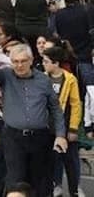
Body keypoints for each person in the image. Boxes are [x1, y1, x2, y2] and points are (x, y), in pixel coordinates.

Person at [0, 42, 67, 196]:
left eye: (23, 61)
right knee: (15, 182)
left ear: (31, 61)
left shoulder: (43, 80)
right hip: (14, 138)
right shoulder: (6, 76)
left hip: (39, 138)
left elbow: (56, 109)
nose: (19, 65)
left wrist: (60, 135)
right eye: (15, 61)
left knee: (41, 182)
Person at [41, 46, 82, 197]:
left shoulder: (70, 79)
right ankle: (52, 188)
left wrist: (72, 128)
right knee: (49, 161)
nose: (43, 64)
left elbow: (76, 104)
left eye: (46, 61)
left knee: (70, 161)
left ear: (56, 63)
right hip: (46, 127)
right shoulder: (42, 78)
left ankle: (74, 191)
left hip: (64, 126)